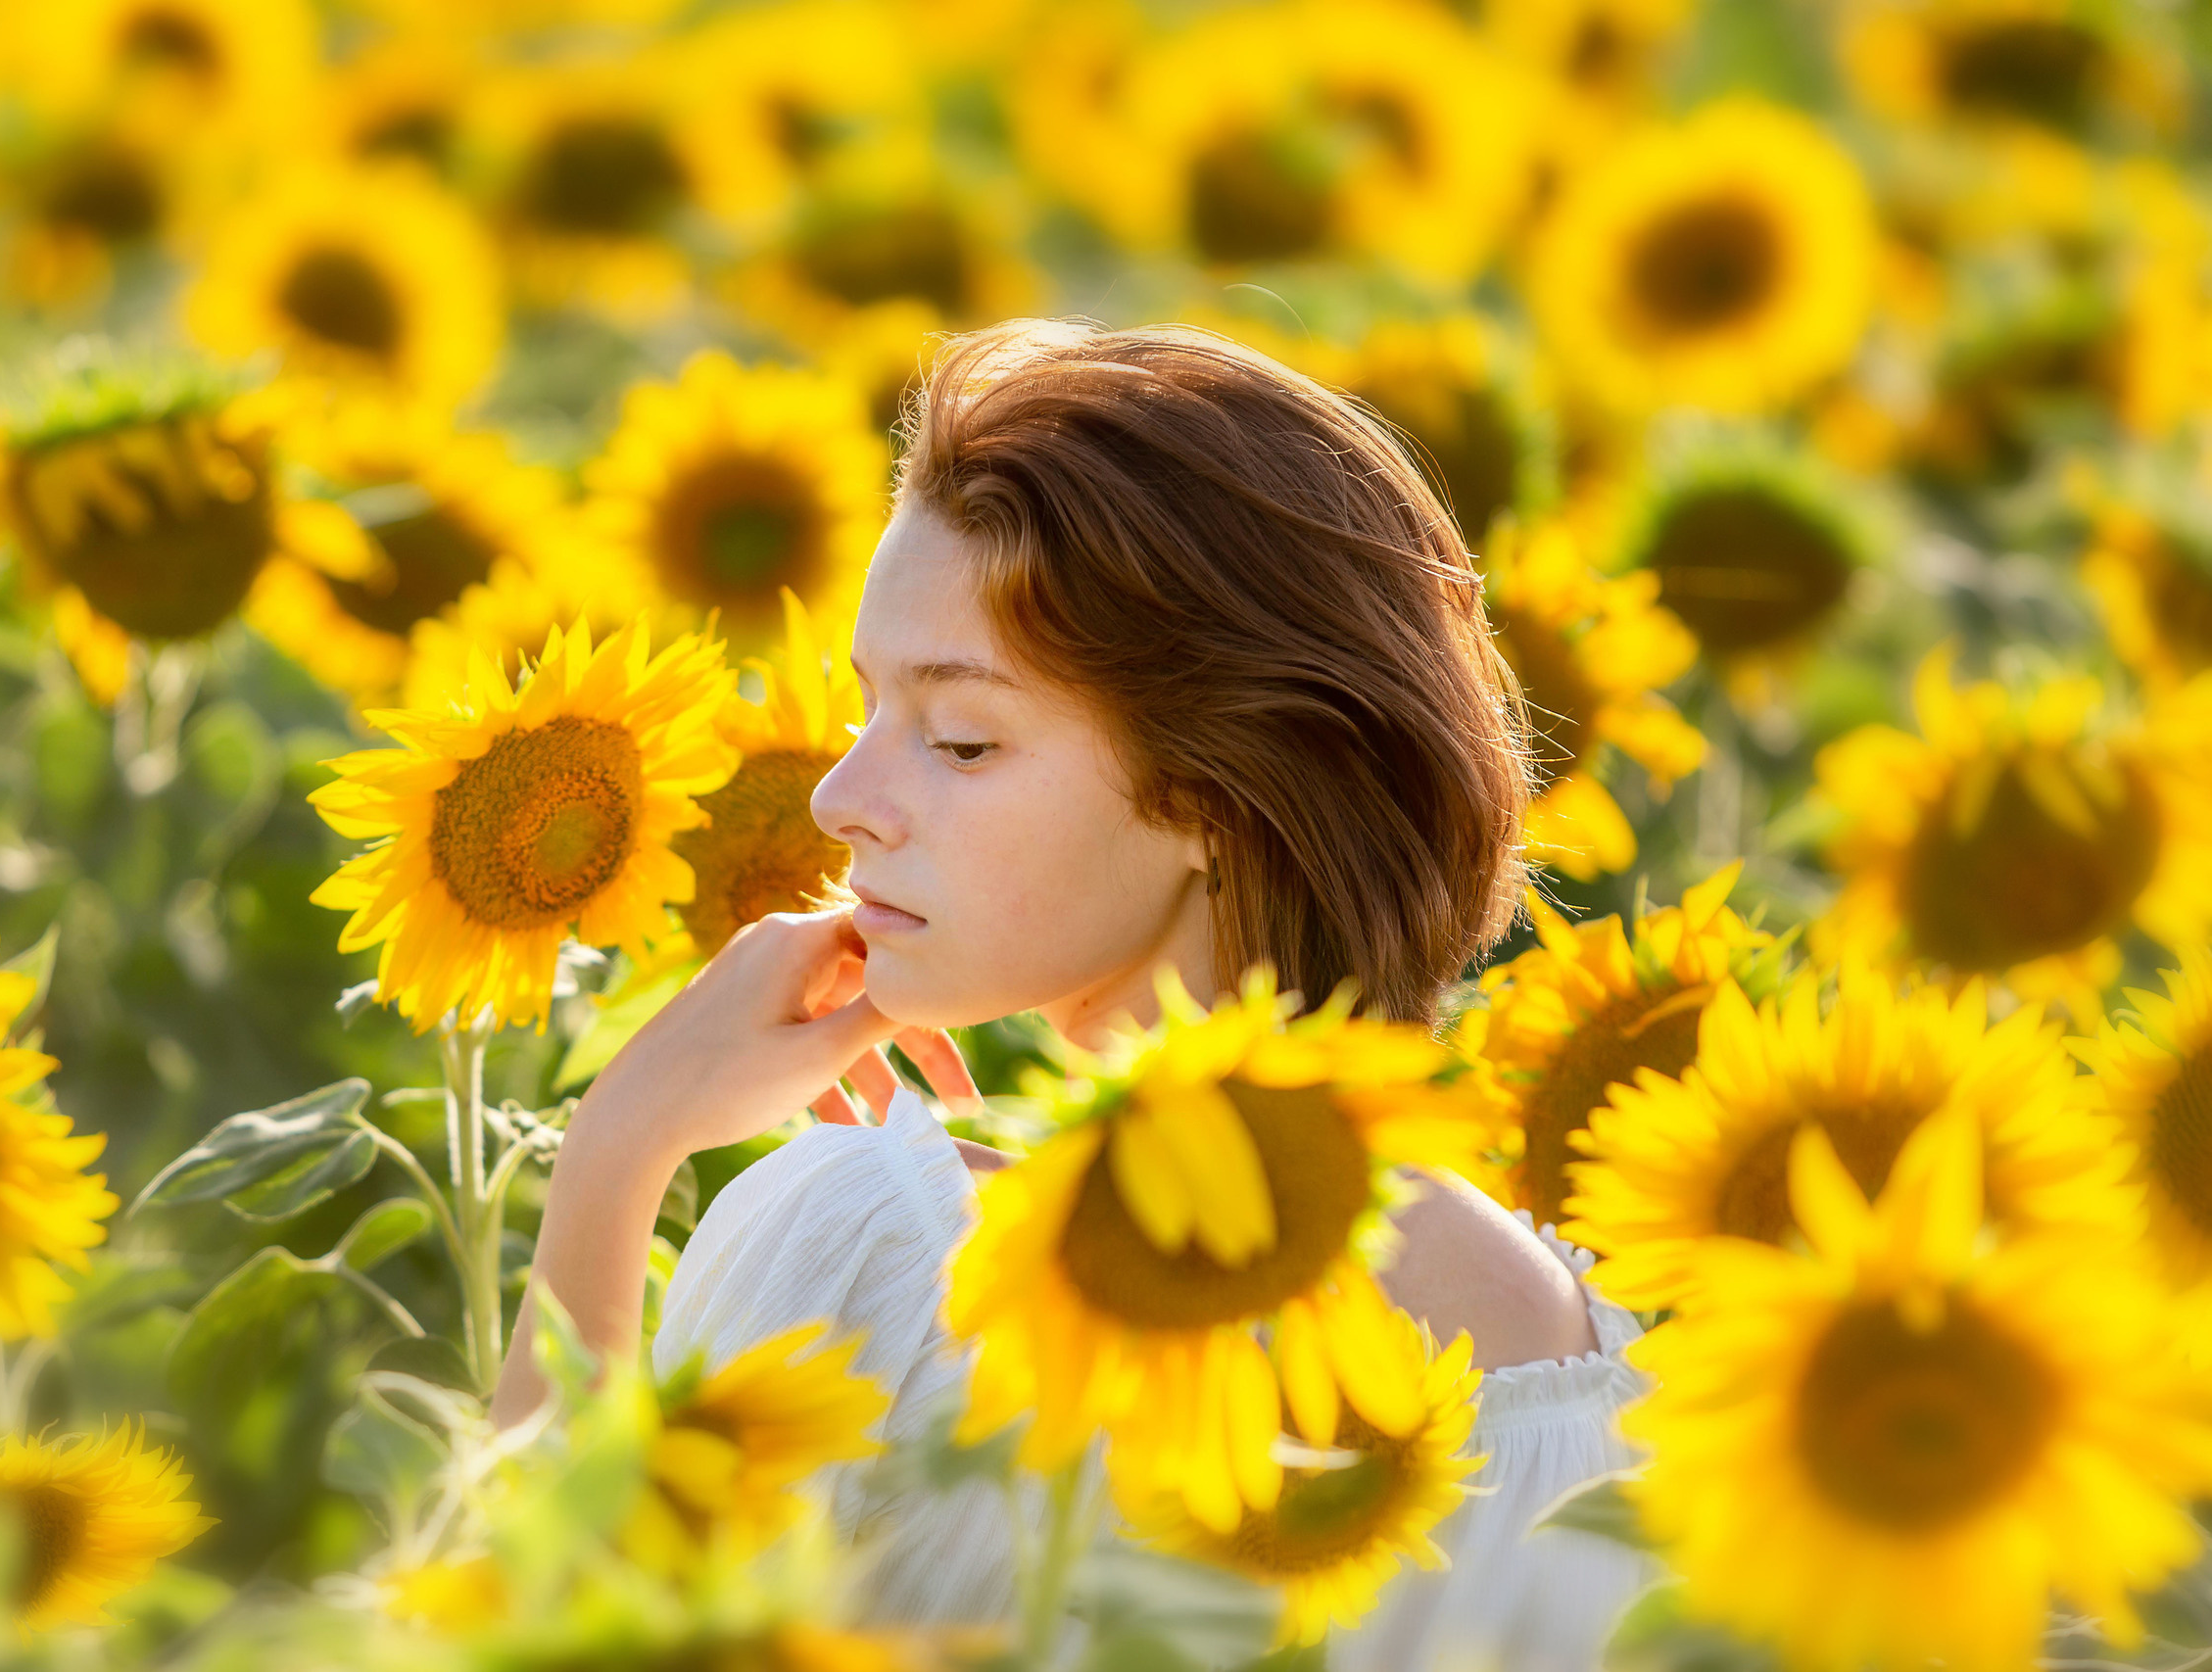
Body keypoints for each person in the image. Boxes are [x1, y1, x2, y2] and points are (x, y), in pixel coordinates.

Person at [491, 318, 1656, 1669]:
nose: (841, 797)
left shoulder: (882, 1252)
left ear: (1216, 793)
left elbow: (521, 1635)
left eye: (963, 737)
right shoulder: (1587, 1360)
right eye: (866, 708)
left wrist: (613, 1161)